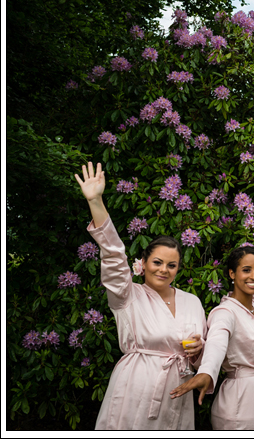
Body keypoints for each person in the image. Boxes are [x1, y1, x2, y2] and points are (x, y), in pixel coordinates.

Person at [75, 162, 206, 430]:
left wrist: (198, 350)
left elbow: (203, 352)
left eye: (172, 265)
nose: (164, 270)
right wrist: (96, 202)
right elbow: (113, 256)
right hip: (136, 386)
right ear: (143, 263)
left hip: (178, 388)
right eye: (157, 262)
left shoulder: (192, 301)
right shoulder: (127, 295)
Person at [169, 194, 254, 429]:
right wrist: (206, 372)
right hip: (240, 405)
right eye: (246, 270)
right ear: (232, 274)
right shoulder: (225, 312)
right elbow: (216, 343)